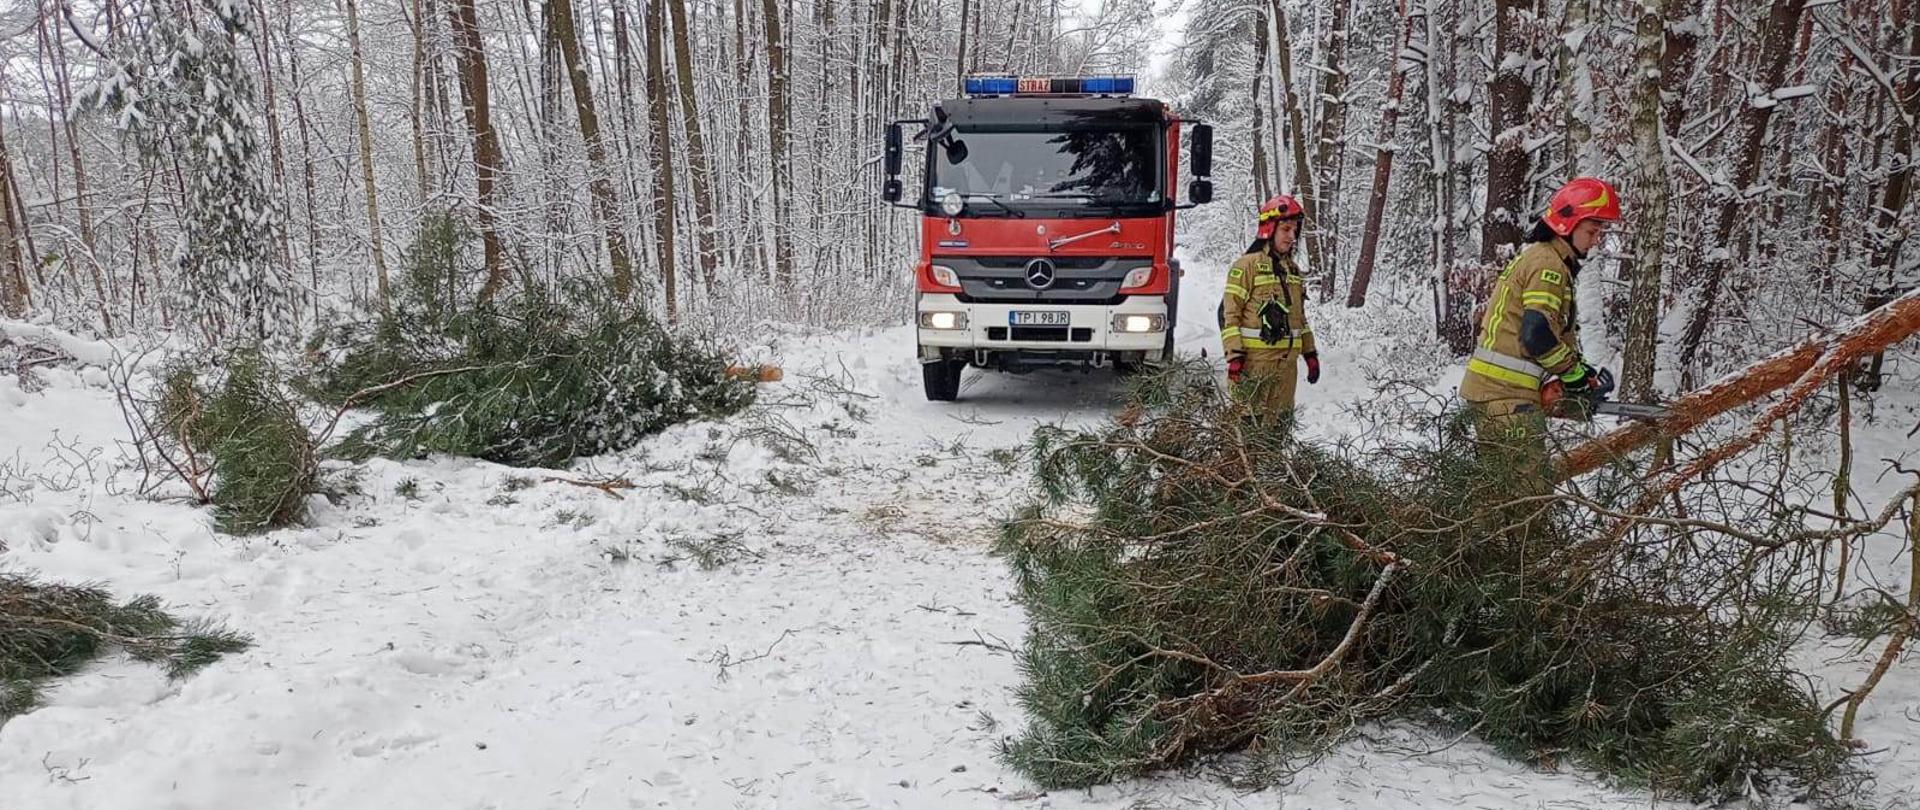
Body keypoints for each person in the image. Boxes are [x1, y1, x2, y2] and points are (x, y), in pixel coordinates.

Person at [1459, 177, 1621, 469]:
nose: (1596, 240)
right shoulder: (1548, 265)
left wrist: (1579, 369)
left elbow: (1542, 333)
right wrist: (1571, 373)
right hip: (1506, 395)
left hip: (1498, 392)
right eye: (1591, 231)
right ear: (1568, 224)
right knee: (1528, 488)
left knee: (1500, 487)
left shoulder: (1543, 259)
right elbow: (1536, 335)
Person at [1219, 195, 1321, 419]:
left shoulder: (1293, 270)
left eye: (1295, 231)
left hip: (1286, 371)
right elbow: (1230, 316)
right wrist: (1234, 357)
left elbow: (1299, 318)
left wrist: (1310, 353)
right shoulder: (1247, 266)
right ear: (1269, 229)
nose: (1292, 236)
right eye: (1286, 229)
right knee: (1249, 428)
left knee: (1280, 427)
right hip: (1254, 368)